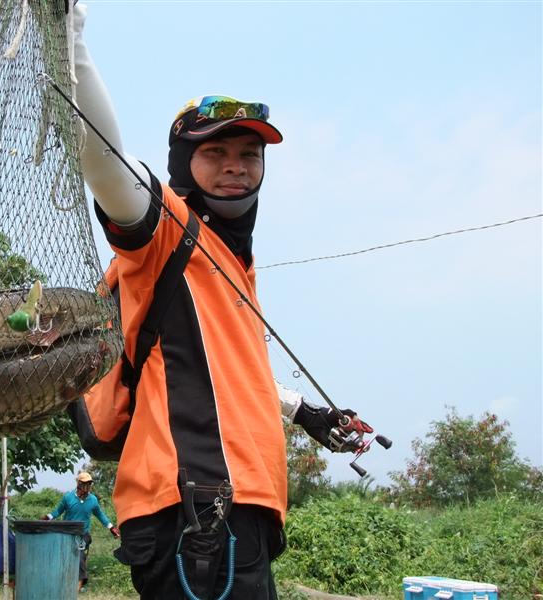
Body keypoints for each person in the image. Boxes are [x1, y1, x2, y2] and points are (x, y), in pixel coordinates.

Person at [70, 5, 373, 598]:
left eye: (249, 156)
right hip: (197, 510)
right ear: (183, 163)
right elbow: (104, 161)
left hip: (237, 512)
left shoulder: (235, 259)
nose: (236, 168)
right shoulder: (162, 229)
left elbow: (226, 370)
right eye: (215, 154)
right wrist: (71, 39)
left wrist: (304, 413)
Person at [42, 471, 121, 592]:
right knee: (64, 558)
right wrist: (47, 517)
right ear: (78, 484)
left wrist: (111, 528)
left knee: (79, 557)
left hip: (83, 534)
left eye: (89, 484)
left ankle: (78, 587)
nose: (87, 486)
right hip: (67, 533)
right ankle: (64, 582)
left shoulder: (93, 500)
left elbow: (101, 515)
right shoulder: (68, 497)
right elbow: (58, 511)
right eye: (85, 483)